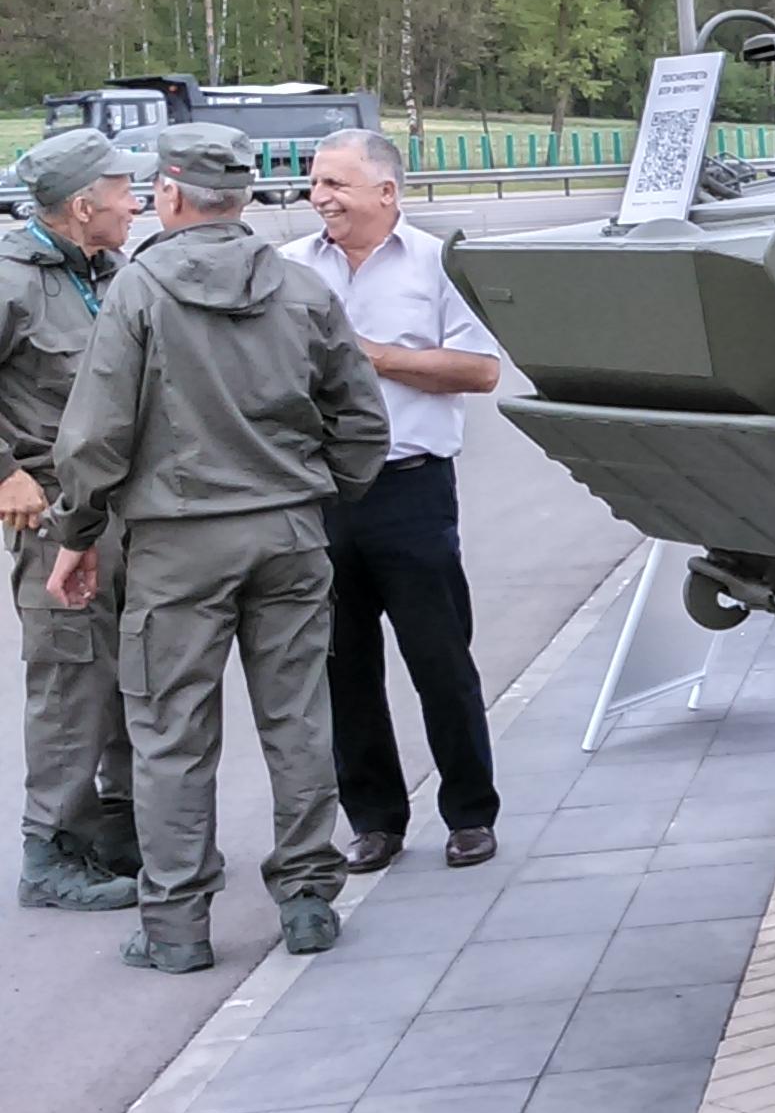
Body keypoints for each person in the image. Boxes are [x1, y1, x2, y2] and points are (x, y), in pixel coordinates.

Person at [47, 125, 387, 973]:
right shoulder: (301, 286)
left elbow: (94, 437)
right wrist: (317, 493)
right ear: (242, 196)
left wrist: (77, 534)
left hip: (177, 543)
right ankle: (307, 898)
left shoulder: (139, 291)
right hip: (288, 532)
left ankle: (176, 925)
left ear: (169, 193)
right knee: (298, 716)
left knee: (170, 731)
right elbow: (361, 421)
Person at [293, 128, 507, 871]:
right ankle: (375, 820)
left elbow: (480, 370)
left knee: (440, 660)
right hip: (320, 495)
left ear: (386, 192)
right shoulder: (290, 268)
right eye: (315, 183)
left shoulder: (437, 264)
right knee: (342, 666)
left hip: (410, 488)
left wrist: (373, 356)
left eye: (335, 184)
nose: (319, 198)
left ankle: (470, 813)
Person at [8, 132, 141, 913]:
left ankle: (119, 830)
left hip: (127, 506)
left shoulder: (113, 272)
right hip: (54, 512)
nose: (136, 204)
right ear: (84, 205)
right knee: (68, 676)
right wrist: (5, 472)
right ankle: (50, 851)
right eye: (124, 192)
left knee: (129, 669)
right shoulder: (10, 280)